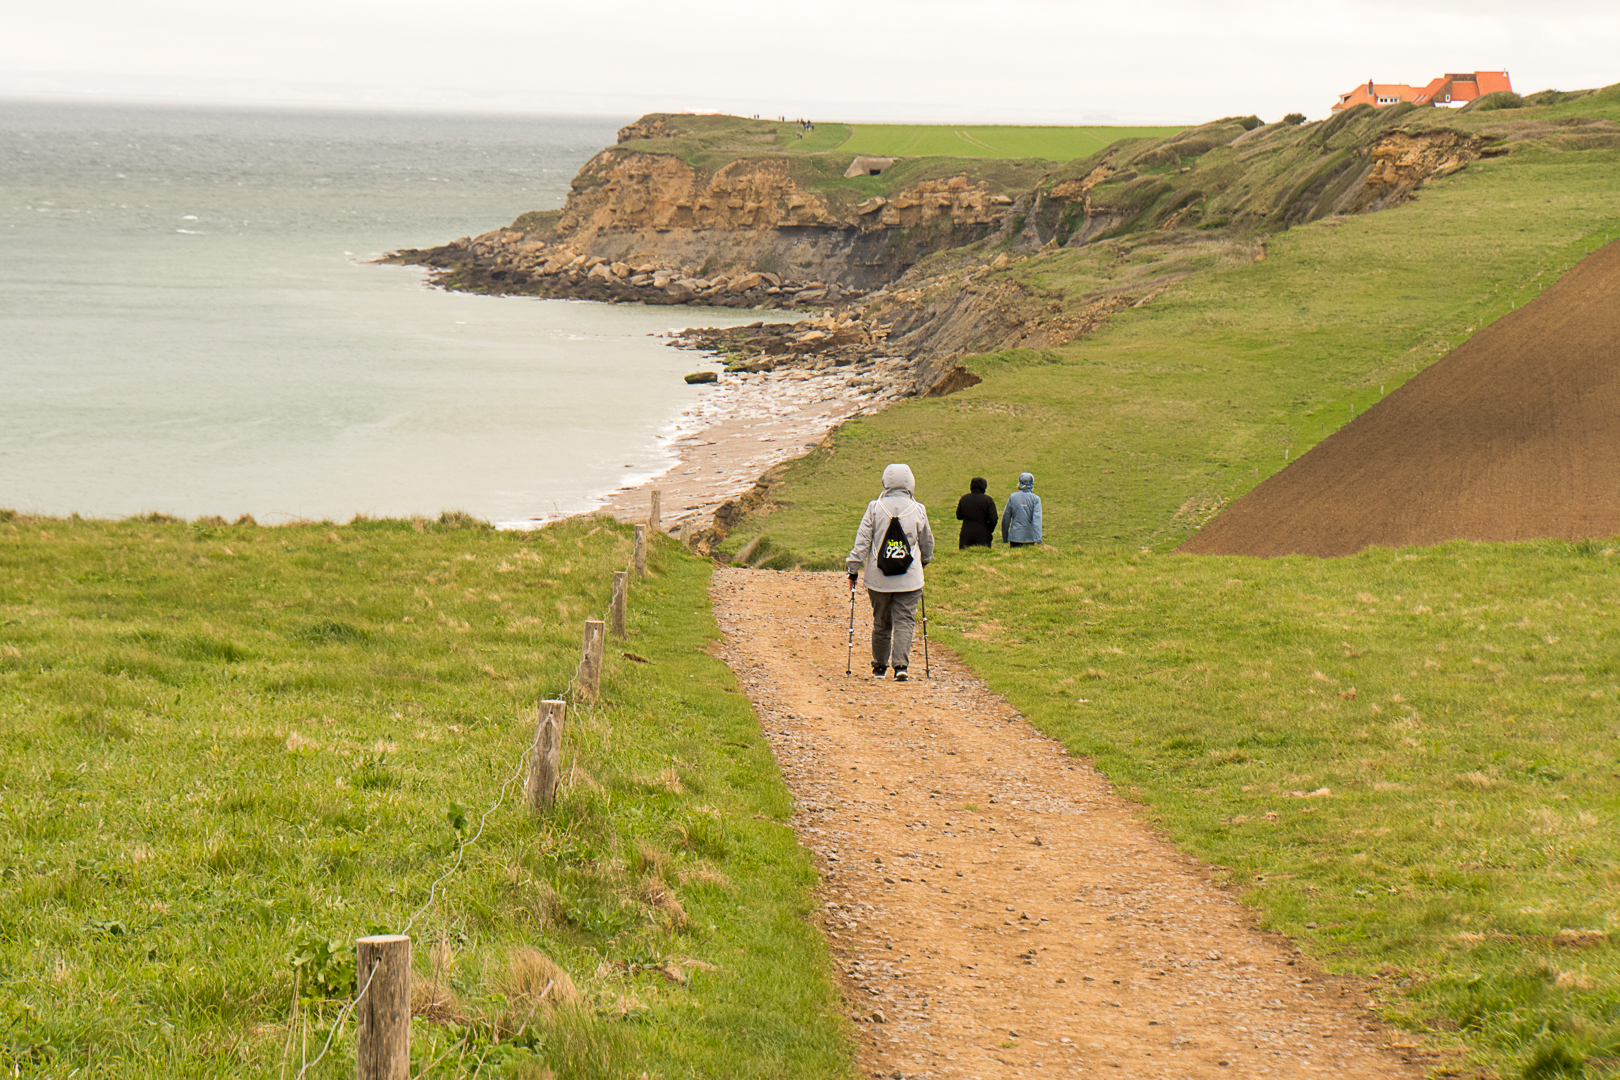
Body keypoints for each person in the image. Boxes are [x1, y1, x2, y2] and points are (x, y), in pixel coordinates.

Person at [847, 463, 934, 681]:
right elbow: (927, 542)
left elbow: (862, 541)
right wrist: (924, 561)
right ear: (910, 482)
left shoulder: (875, 507)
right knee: (905, 620)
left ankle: (879, 667)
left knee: (881, 621)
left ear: (885, 481)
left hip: (879, 579)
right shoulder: (918, 509)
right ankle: (901, 667)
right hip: (910, 578)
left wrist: (853, 570)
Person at [955, 476, 998, 549]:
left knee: (965, 557)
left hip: (966, 534)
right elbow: (993, 519)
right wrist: (989, 530)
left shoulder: (964, 499)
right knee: (983, 557)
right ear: (984, 487)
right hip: (983, 534)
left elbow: (959, 516)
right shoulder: (988, 500)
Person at [1002, 471, 1042, 547]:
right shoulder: (1035, 499)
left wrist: (1005, 537)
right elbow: (1037, 519)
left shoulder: (1013, 497)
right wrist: (1038, 537)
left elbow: (1006, 518)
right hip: (1030, 538)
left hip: (1015, 536)